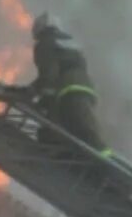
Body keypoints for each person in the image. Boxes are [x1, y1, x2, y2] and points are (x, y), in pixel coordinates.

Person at [22, 13, 110, 155]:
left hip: (67, 92)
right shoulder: (68, 42)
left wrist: (45, 98)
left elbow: (49, 72)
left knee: (71, 130)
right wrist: (31, 89)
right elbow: (62, 68)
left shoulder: (45, 43)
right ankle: (102, 165)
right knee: (84, 131)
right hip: (84, 89)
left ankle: (104, 165)